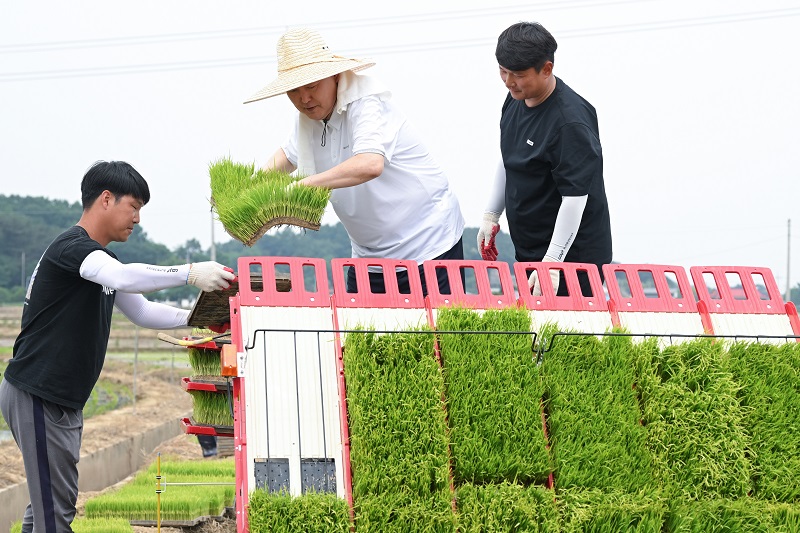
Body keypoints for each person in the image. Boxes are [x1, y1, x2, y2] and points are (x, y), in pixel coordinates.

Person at [0, 161, 235, 533]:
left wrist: (199, 320)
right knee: (55, 514)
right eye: (135, 206)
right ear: (106, 199)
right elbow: (122, 276)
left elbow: (140, 309)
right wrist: (189, 273)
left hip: (59, 397)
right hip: (38, 393)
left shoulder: (101, 261)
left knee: (50, 506)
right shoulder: (74, 248)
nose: (138, 218)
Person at [243, 27, 465, 296]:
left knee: (433, 335)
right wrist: (245, 193)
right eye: (294, 90)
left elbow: (370, 163)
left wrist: (303, 186)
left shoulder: (366, 102)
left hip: (428, 244)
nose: (304, 98)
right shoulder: (308, 121)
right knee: (362, 336)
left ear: (334, 75)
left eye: (312, 86)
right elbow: (286, 156)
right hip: (368, 257)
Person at [477, 22, 612, 297]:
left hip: (573, 259)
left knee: (567, 336)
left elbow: (575, 199)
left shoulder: (570, 123)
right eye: (503, 71)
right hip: (531, 247)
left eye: (517, 74)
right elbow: (509, 157)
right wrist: (491, 215)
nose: (508, 81)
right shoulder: (515, 98)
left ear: (546, 69)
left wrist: (552, 263)